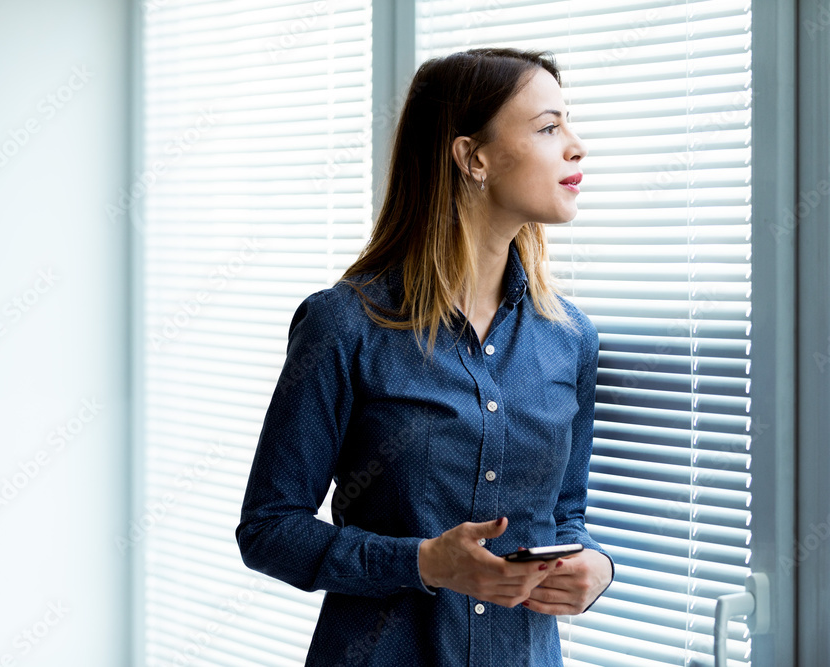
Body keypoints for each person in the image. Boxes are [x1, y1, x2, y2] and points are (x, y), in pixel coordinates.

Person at [236, 47, 615, 666]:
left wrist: (594, 565)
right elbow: (269, 530)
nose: (576, 146)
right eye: (548, 127)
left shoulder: (569, 337)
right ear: (473, 157)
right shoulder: (345, 324)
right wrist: (422, 563)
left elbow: (562, 517)